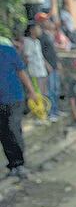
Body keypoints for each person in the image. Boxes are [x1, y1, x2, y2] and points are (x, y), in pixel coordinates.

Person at [0, 36, 37, 179]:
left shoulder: (8, 51)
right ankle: (12, 164)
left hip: (14, 97)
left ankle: (20, 163)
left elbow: (21, 71)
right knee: (4, 133)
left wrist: (32, 92)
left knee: (13, 129)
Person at [36, 13, 61, 121]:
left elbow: (53, 51)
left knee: (56, 89)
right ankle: (52, 113)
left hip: (54, 65)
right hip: (49, 67)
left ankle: (56, 110)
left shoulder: (49, 34)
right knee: (50, 90)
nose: (48, 22)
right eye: (45, 20)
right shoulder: (41, 37)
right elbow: (40, 54)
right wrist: (47, 65)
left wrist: (57, 62)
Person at [22, 23, 47, 101]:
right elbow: (26, 57)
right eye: (37, 28)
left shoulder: (37, 41)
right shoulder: (27, 42)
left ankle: (42, 109)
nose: (39, 30)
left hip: (41, 71)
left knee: (42, 93)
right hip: (33, 72)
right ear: (32, 30)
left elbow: (40, 57)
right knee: (35, 93)